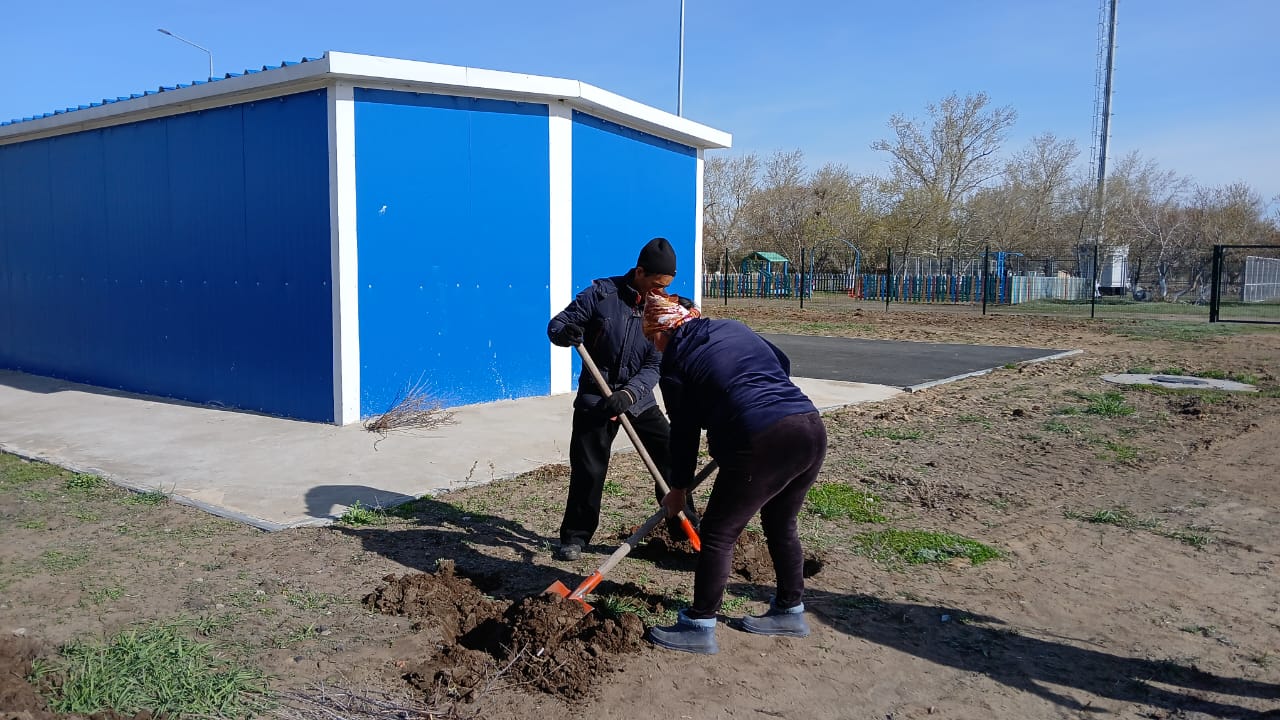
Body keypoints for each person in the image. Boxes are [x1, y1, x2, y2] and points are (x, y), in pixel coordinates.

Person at [642, 290, 827, 655]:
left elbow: (683, 433)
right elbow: (781, 361)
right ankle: (790, 611)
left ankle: (699, 624)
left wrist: (678, 488)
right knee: (781, 524)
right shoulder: (732, 327)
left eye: (653, 339)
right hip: (809, 426)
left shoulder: (675, 364)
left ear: (662, 332)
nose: (655, 347)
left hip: (763, 437)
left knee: (718, 532)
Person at [546, 237, 698, 561]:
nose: (658, 293)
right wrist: (565, 333)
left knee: (671, 458)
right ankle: (575, 537)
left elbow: (657, 362)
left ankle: (684, 530)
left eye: (665, 287)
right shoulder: (601, 295)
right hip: (596, 397)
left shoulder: (662, 307)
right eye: (655, 285)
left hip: (638, 399)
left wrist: (629, 394)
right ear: (639, 271)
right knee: (588, 469)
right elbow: (557, 325)